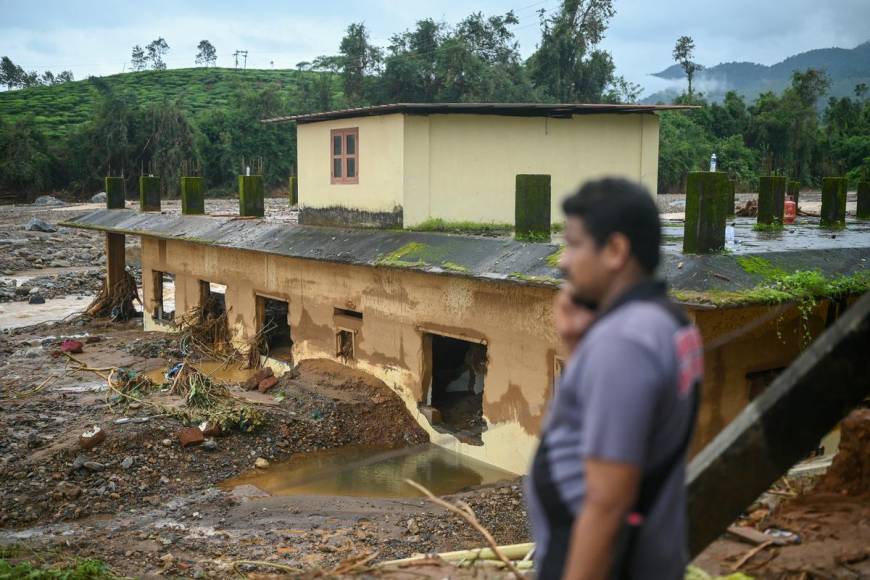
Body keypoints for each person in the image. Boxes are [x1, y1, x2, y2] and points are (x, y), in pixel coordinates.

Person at [525, 178, 704, 579]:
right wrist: (577, 346)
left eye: (573, 244)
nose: (563, 261)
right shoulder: (666, 322)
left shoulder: (624, 343)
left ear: (615, 250)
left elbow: (608, 501)